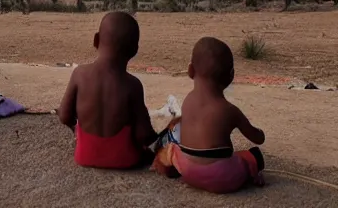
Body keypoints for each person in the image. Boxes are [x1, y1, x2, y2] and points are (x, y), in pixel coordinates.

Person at [152, 37, 265, 193]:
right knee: (253, 155)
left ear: (190, 70)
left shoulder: (188, 101)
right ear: (231, 76)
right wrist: (260, 133)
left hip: (187, 171)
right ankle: (251, 175)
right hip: (222, 177)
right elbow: (258, 139)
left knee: (173, 148)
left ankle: (165, 163)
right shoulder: (230, 110)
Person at [58, 11, 157, 169]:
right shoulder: (133, 85)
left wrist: (76, 131)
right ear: (134, 50)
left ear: (96, 40)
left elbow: (64, 116)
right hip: (125, 160)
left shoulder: (79, 74)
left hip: (84, 157)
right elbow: (143, 134)